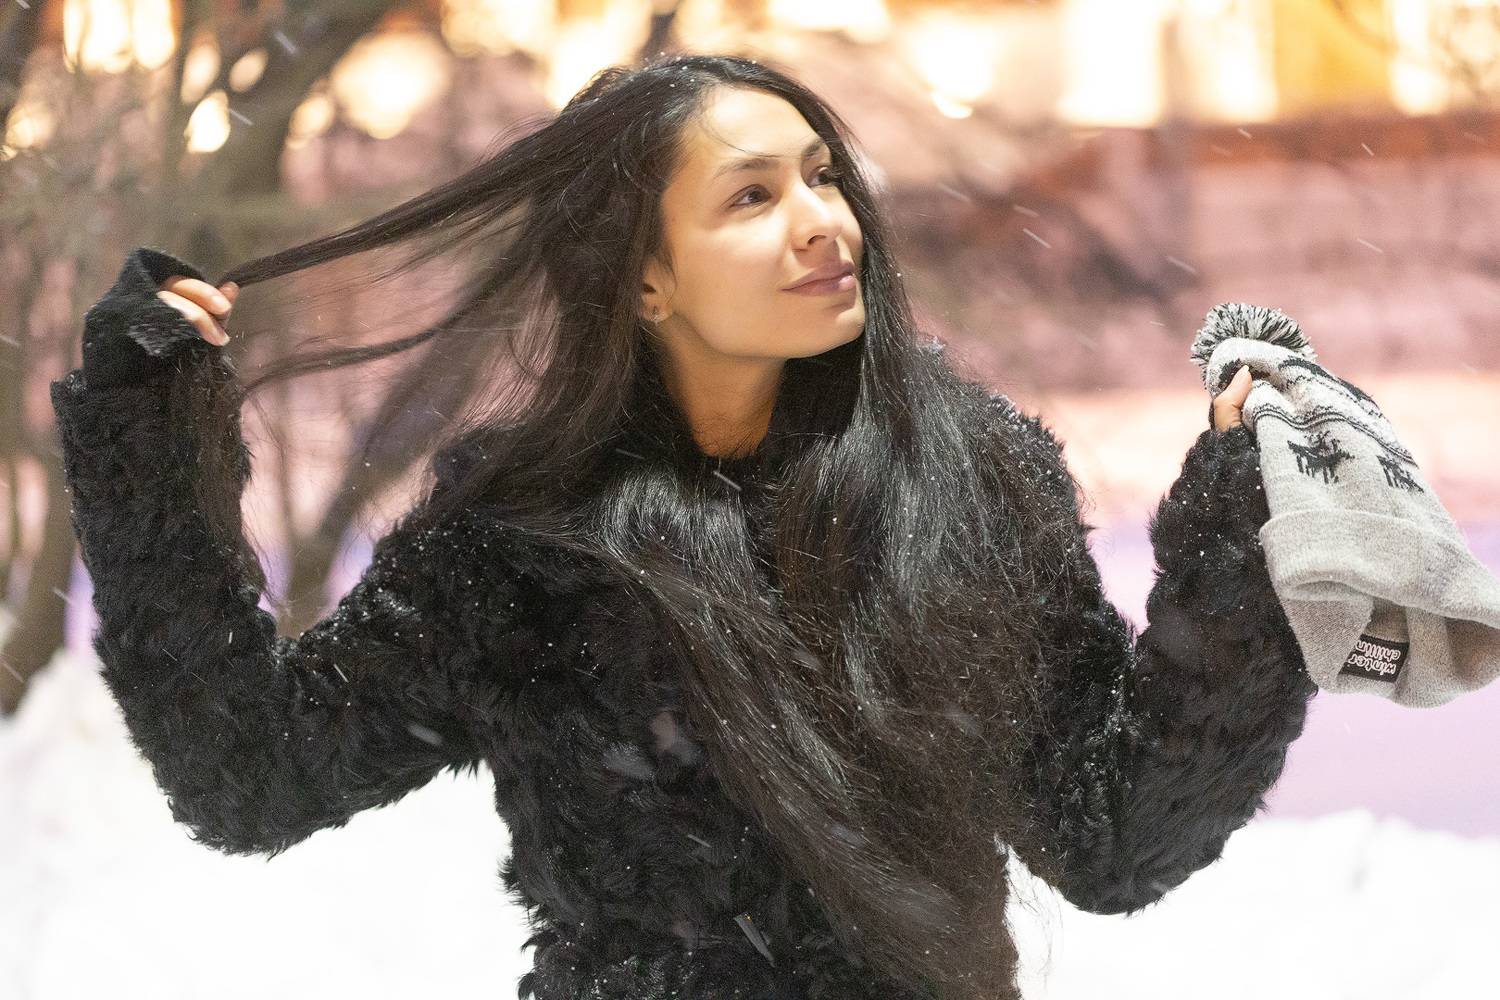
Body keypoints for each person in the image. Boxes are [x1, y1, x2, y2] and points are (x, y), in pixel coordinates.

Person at [50, 53, 1308, 1000]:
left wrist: (1245, 529)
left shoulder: (967, 482)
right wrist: (144, 435)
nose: (823, 220)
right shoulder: (520, 547)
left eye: (822, 175)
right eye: (752, 195)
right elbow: (250, 772)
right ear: (643, 277)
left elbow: (1113, 829)